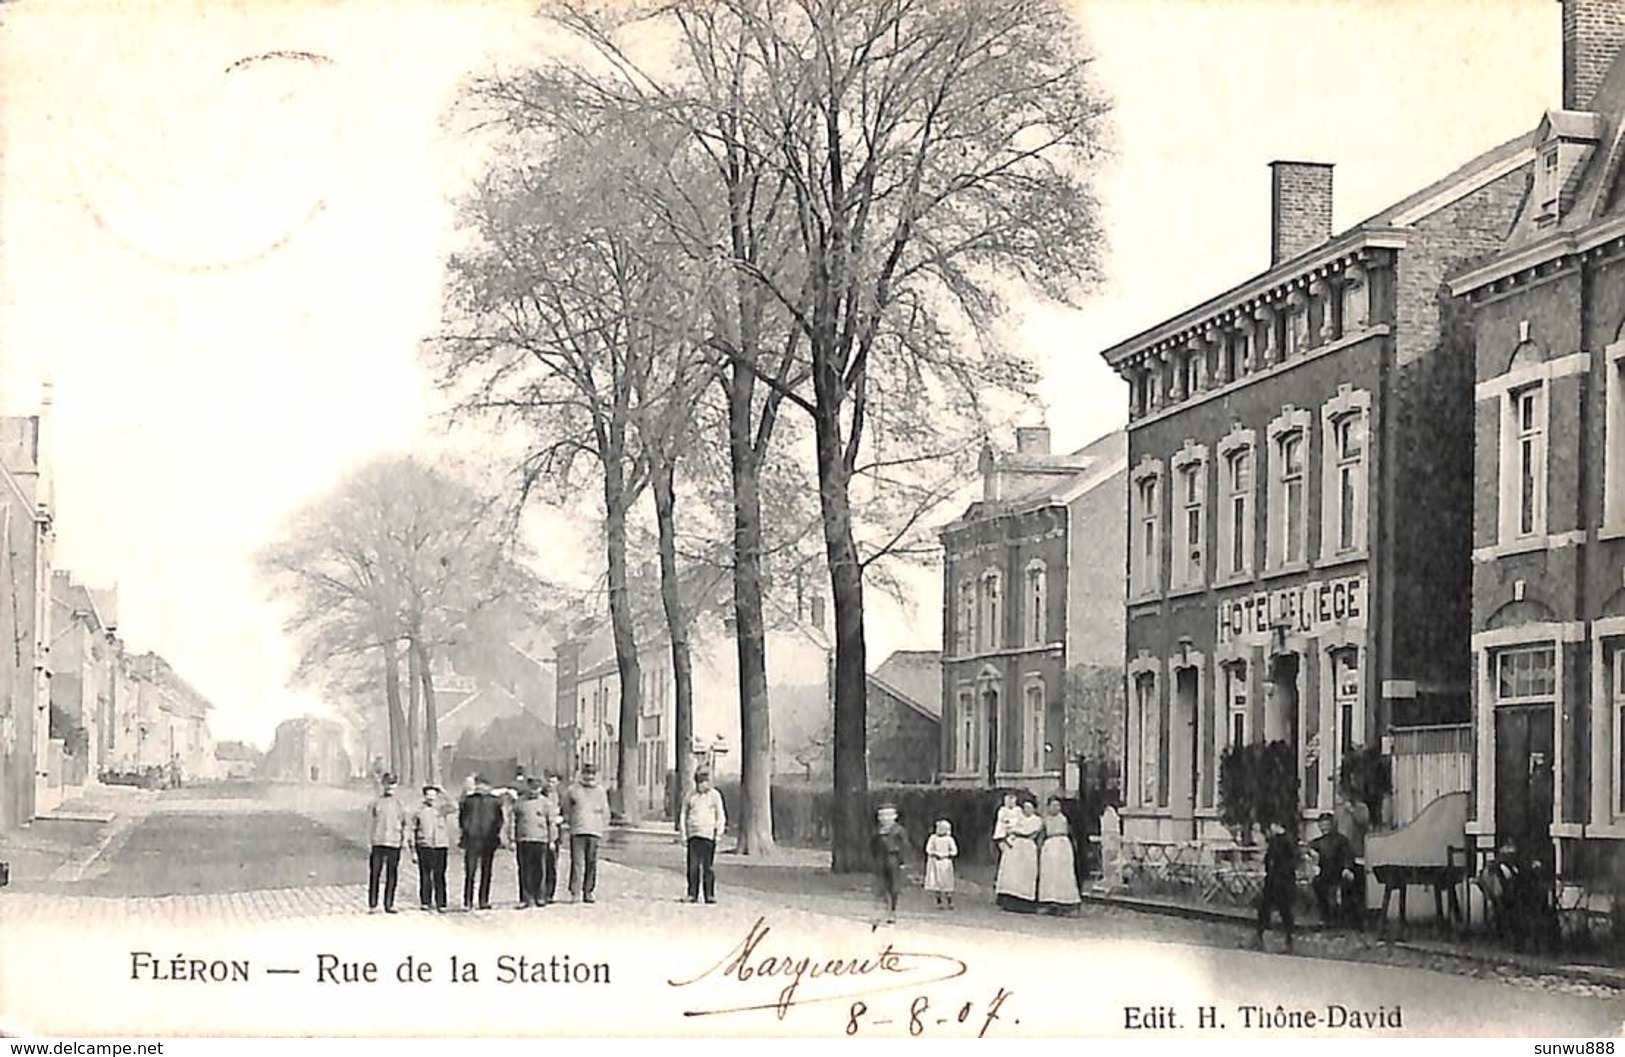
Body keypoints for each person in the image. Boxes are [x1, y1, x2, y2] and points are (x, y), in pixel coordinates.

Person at [563, 763, 611, 903]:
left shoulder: (600, 791)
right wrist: (570, 822)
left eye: (592, 774)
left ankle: (588, 891)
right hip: (578, 830)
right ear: (582, 774)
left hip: (594, 831)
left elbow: (605, 811)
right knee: (577, 863)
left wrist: (603, 828)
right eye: (586, 773)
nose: (589, 776)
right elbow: (566, 809)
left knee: (592, 862)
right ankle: (575, 892)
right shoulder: (573, 790)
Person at [679, 770, 726, 904]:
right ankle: (692, 893)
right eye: (699, 782)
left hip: (708, 836)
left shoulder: (715, 796)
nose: (702, 785)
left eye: (704, 782)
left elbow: (720, 815)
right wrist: (683, 833)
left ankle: (709, 894)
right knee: (692, 866)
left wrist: (718, 833)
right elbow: (683, 814)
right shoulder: (690, 796)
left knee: (708, 867)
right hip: (693, 835)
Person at [511, 778, 560, 908]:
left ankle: (540, 896)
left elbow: (551, 823)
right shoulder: (519, 802)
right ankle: (526, 898)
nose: (534, 791)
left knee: (540, 870)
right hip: (523, 839)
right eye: (532, 788)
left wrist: (552, 840)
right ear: (527, 787)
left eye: (537, 789)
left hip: (541, 839)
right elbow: (512, 821)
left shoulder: (546, 803)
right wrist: (511, 839)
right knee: (524, 869)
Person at [459, 774, 504, 911]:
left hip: (488, 840)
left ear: (489, 787)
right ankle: (467, 900)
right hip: (472, 840)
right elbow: (462, 819)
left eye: (484, 785)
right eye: (478, 785)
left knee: (487, 871)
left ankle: (483, 900)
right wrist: (466, 831)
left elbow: (499, 820)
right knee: (470, 872)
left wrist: (496, 835)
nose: (481, 788)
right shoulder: (469, 801)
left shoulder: (495, 801)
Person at [365, 773, 408, 914]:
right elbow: (369, 822)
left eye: (393, 784)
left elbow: (405, 823)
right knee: (375, 873)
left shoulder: (399, 804)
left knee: (392, 874)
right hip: (378, 841)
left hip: (394, 842)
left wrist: (404, 840)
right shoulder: (375, 802)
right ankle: (373, 904)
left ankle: (389, 903)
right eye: (387, 783)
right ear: (383, 784)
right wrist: (369, 840)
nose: (390, 787)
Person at [1309, 811, 1360, 928]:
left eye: (1327, 825)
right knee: (1317, 884)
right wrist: (1310, 856)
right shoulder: (1316, 843)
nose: (1325, 828)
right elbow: (1309, 855)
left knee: (1346, 889)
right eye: (1322, 825)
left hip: (1339, 873)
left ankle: (1343, 918)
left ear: (1332, 825)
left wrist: (1347, 868)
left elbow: (1348, 856)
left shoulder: (1341, 840)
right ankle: (1325, 916)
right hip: (1324, 874)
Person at [1256, 821, 1299, 953]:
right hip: (1274, 879)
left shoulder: (1286, 841)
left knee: (1283, 909)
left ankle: (1288, 939)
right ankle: (1260, 935)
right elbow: (1269, 859)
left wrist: (1279, 871)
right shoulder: (1277, 840)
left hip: (1282, 880)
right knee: (1265, 908)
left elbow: (1292, 860)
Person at [995, 798, 1042, 913]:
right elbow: (1009, 828)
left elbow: (1030, 832)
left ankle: (1026, 903)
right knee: (1012, 874)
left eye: (1030, 807)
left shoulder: (1037, 820)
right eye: (1025, 807)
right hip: (1015, 846)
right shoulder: (1018, 818)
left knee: (1027, 874)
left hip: (1028, 847)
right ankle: (1010, 900)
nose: (1027, 810)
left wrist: (1018, 831)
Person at [1037, 796, 1081, 915]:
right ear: (1048, 807)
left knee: (1064, 875)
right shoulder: (1045, 820)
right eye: (1053, 805)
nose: (1056, 808)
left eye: (1058, 806)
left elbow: (1072, 834)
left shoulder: (1064, 819)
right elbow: (1041, 834)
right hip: (1049, 846)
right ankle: (1049, 902)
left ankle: (1068, 904)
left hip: (1062, 846)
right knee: (1049, 875)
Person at [412, 784, 451, 912]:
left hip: (440, 845)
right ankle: (425, 901)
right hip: (424, 846)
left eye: (434, 795)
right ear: (425, 796)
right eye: (429, 795)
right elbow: (412, 830)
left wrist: (444, 793)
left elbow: (455, 806)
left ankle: (441, 902)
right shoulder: (419, 811)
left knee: (440, 875)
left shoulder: (442, 809)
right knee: (425, 875)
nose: (431, 798)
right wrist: (413, 851)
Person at [871, 803, 910, 924]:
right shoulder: (877, 831)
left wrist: (902, 861)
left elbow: (905, 846)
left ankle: (892, 910)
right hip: (880, 859)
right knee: (881, 885)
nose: (885, 819)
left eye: (888, 816)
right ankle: (882, 910)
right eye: (882, 816)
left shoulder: (898, 830)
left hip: (893, 858)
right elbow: (872, 845)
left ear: (894, 817)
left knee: (894, 886)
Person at [923, 819, 958, 910]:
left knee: (946, 882)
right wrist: (934, 853)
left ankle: (949, 901)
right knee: (936, 883)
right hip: (935, 862)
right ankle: (939, 902)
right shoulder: (933, 838)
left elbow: (954, 851)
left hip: (945, 863)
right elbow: (928, 849)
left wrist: (947, 855)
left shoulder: (949, 839)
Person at [541, 773, 563, 903]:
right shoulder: (541, 795)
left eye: (553, 782)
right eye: (549, 782)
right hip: (542, 832)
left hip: (556, 833)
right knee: (540, 864)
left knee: (552, 865)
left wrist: (562, 819)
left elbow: (567, 811)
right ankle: (540, 892)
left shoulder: (561, 797)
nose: (550, 785)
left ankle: (550, 893)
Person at [991, 792, 1022, 871]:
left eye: (1012, 800)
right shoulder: (1002, 810)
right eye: (1008, 800)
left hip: (1016, 836)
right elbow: (1003, 821)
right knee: (1004, 857)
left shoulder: (1018, 810)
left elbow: (1019, 821)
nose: (1010, 802)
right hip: (1003, 836)